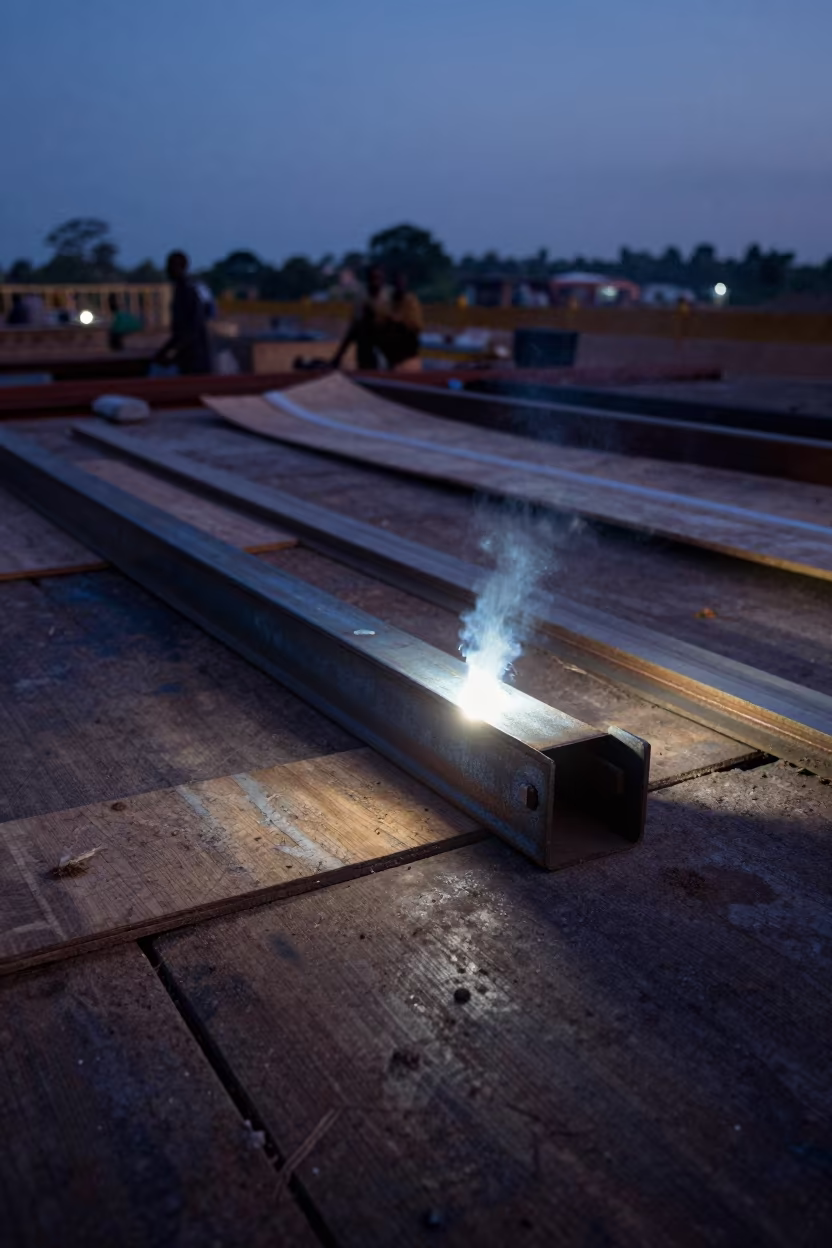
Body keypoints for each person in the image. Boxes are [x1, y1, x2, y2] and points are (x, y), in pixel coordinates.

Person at [154, 250, 213, 375]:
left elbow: (192, 328)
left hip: (194, 354)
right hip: (190, 352)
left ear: (180, 267)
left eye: (170, 266)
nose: (167, 270)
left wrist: (173, 349)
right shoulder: (183, 289)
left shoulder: (187, 291)